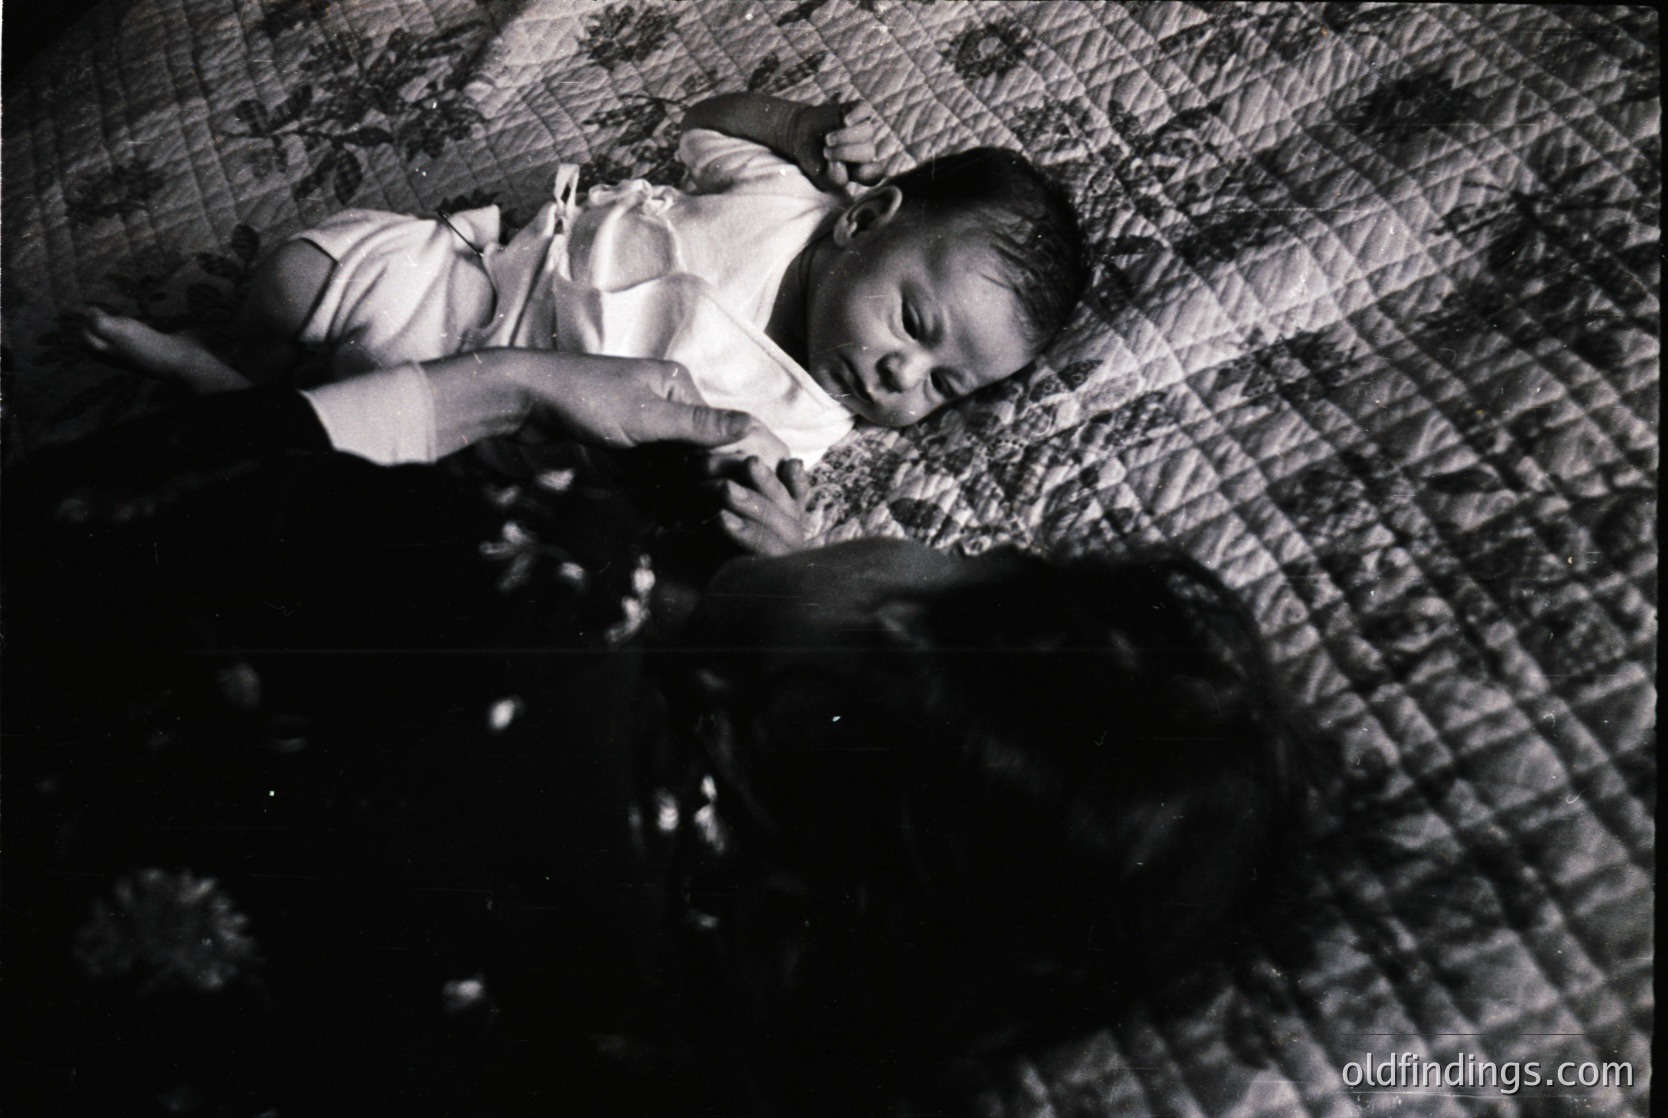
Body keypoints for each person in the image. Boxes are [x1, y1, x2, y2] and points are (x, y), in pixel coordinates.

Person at [3, 356, 1316, 1116]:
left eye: (957, 555)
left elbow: (70, 526)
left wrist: (498, 384)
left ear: (913, 635)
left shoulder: (559, 578)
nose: (904, 535)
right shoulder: (721, 1057)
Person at [79, 92, 1089, 553]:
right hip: (469, 295)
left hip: (501, 435)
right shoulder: (786, 199)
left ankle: (260, 421)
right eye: (913, 321)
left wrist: (785, 539)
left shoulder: (812, 418)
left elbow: (740, 506)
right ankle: (241, 376)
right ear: (866, 221)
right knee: (303, 272)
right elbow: (706, 123)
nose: (896, 374)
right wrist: (795, 127)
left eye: (943, 385)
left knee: (401, 522)